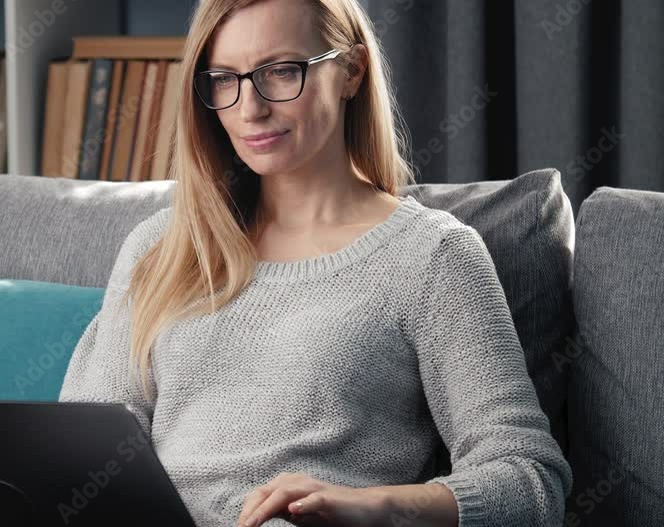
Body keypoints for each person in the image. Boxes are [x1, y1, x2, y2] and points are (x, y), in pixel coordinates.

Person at [59, 0, 572, 525]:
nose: (249, 108)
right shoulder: (159, 248)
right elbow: (76, 459)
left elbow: (530, 480)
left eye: (281, 72)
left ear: (351, 71)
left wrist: (376, 507)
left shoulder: (433, 257)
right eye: (224, 79)